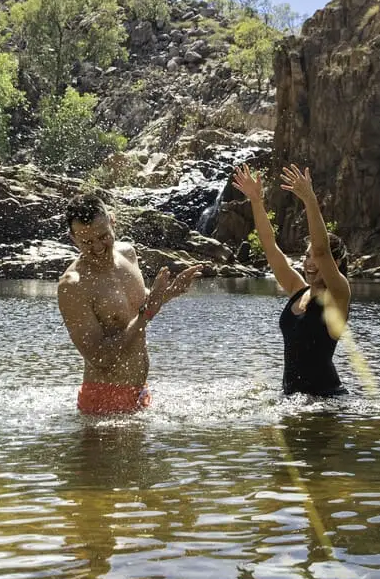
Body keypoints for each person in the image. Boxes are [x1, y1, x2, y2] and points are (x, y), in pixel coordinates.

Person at [57, 192, 202, 416]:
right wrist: (147, 314)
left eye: (103, 236)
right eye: (86, 242)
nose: (97, 247)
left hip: (141, 392)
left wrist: (171, 292)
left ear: (113, 222)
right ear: (73, 239)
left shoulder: (128, 254)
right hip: (103, 400)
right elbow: (100, 358)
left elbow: (140, 304)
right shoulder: (73, 285)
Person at [231, 163, 351, 397]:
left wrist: (309, 200)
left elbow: (322, 249)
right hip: (292, 399)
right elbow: (269, 247)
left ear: (334, 263)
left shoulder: (338, 294)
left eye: (314, 258)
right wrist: (256, 201)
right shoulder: (298, 288)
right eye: (306, 256)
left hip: (327, 400)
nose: (309, 262)